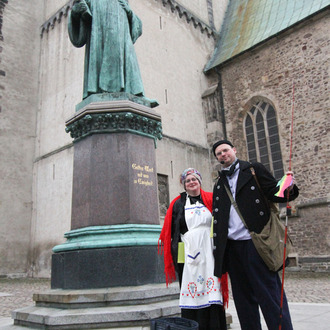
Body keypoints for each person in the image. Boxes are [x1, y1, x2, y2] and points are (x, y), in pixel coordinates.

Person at [211, 139, 299, 330]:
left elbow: (274, 192)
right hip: (233, 248)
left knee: (270, 295)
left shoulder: (253, 169)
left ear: (234, 150)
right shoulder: (219, 184)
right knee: (243, 302)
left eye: (225, 150)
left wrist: (288, 187)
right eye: (219, 153)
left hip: (256, 242)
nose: (223, 154)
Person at [159, 168, 228, 330]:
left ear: (200, 181)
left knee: (213, 287)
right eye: (188, 180)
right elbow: (174, 231)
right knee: (193, 287)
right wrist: (181, 256)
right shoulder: (178, 203)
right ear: (184, 184)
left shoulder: (211, 199)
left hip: (210, 250)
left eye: (194, 179)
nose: (191, 182)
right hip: (190, 252)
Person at [68, 0, 145, 99]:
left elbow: (137, 27)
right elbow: (78, 16)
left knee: (129, 61)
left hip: (122, 43)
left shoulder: (122, 1)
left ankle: (136, 93)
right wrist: (76, 12)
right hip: (99, 42)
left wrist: (130, 13)